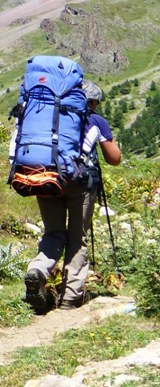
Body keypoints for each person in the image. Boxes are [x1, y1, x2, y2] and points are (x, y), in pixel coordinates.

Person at [21, 79, 121, 313]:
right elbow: (114, 159)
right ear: (92, 101)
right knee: (78, 238)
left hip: (45, 177)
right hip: (80, 184)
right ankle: (70, 298)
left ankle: (38, 270)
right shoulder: (95, 120)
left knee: (54, 233)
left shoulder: (46, 116)